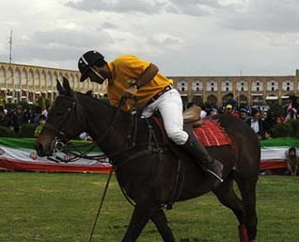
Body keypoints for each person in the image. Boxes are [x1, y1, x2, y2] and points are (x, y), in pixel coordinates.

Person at [78, 50, 223, 185]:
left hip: (165, 96)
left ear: (95, 69)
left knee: (174, 132)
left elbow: (153, 68)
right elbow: (121, 115)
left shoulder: (122, 63)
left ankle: (210, 163)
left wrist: (135, 86)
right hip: (147, 107)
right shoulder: (111, 90)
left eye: (89, 76)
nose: (90, 80)